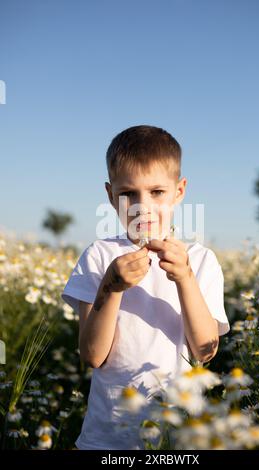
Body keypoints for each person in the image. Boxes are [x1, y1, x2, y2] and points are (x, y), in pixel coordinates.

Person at [61, 124, 230, 450]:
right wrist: (111, 287)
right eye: (128, 194)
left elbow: (206, 352)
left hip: (179, 436)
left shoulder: (200, 260)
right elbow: (92, 355)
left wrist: (185, 277)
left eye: (156, 192)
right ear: (111, 196)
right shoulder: (99, 256)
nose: (142, 206)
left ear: (179, 191)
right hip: (108, 438)